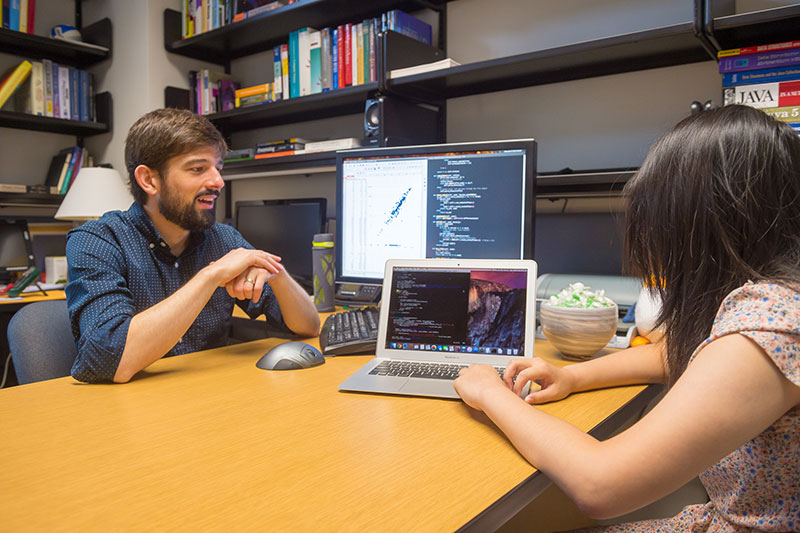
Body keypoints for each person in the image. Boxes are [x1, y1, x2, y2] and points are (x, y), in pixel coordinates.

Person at [454, 104, 800, 530]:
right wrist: (573, 377)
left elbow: (601, 485)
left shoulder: (775, 321)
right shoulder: (772, 299)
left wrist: (492, 395)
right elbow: (678, 354)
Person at [66, 108, 320, 384]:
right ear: (149, 180)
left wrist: (275, 272)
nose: (218, 182)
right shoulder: (97, 240)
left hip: (209, 402)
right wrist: (210, 277)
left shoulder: (224, 239)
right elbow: (110, 360)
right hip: (129, 413)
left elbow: (307, 326)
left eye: (218, 169)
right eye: (197, 169)